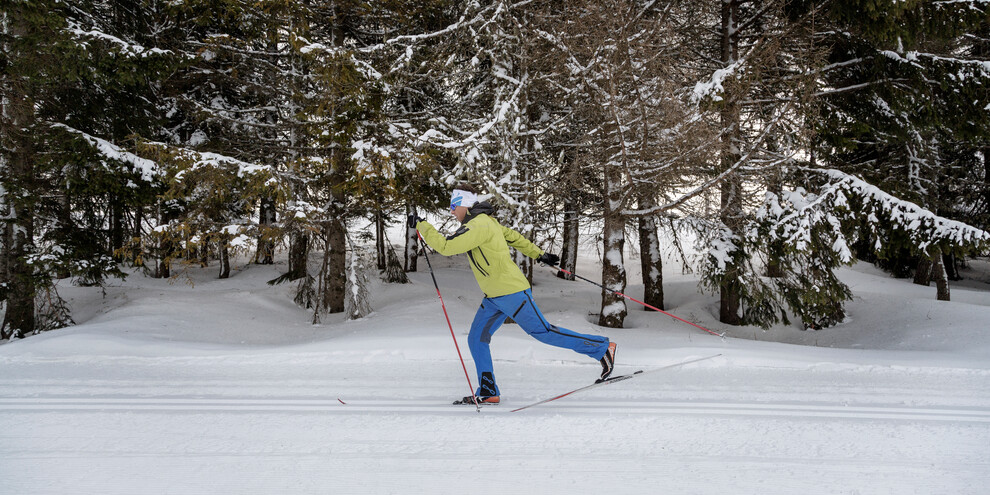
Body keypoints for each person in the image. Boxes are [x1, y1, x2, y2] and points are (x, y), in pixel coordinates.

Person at [409, 184, 616, 405]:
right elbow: (514, 237)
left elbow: (446, 246)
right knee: (476, 339)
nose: (451, 211)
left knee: (543, 332)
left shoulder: (478, 225)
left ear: (465, 204)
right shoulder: (486, 223)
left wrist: (422, 225)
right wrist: (540, 254)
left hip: (511, 293)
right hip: (494, 297)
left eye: (453, 205)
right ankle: (488, 391)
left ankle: (602, 348)